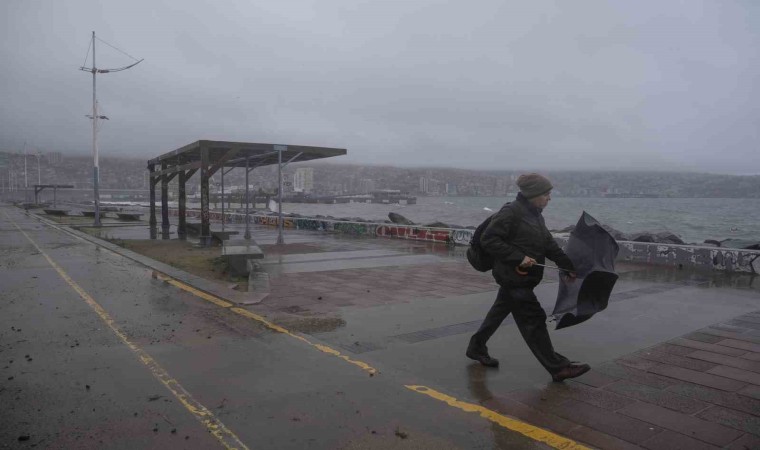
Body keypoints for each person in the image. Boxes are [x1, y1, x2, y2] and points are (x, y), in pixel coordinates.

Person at [466, 173, 590, 382]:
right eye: (546, 194)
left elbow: (548, 245)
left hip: (523, 279)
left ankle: (476, 347)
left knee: (499, 311)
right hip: (513, 278)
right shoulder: (511, 212)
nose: (549, 198)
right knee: (533, 320)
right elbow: (489, 239)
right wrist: (519, 257)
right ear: (534, 194)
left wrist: (567, 266)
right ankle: (558, 367)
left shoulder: (535, 215)